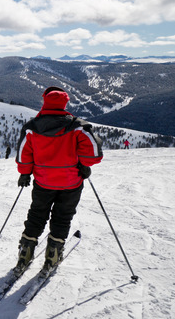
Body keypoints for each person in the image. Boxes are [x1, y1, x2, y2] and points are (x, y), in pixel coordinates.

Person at [14, 87, 103, 276]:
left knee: (37, 214)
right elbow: (94, 154)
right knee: (63, 217)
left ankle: (25, 253)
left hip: (43, 181)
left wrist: (24, 173)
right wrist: (84, 164)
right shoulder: (77, 126)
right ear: (65, 103)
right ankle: (53, 255)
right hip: (71, 182)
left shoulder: (32, 127)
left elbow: (24, 154)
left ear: (44, 101)